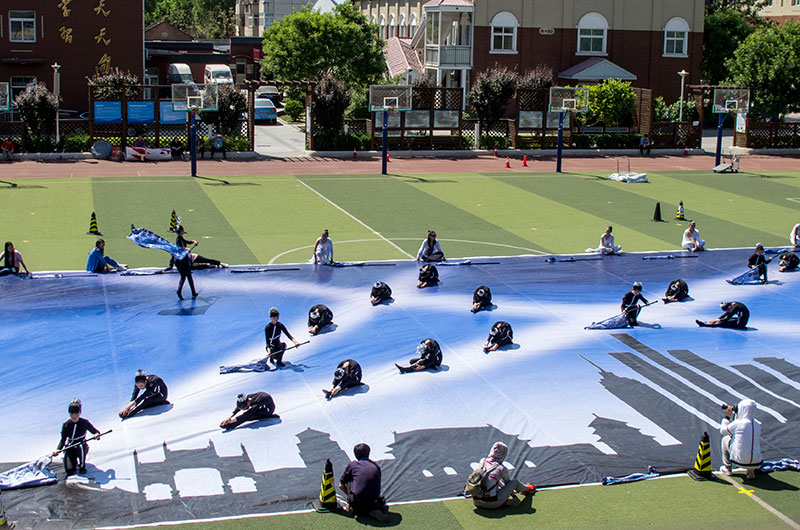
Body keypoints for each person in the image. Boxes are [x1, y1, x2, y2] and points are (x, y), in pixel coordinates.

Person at [470, 442, 536, 509]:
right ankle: (528, 489)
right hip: (492, 504)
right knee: (514, 482)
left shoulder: (482, 462)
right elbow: (508, 483)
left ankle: (503, 501)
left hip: (476, 501)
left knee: (493, 484)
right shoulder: (501, 468)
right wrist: (513, 495)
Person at [339, 443, 389, 522]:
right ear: (368, 453)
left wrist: (349, 496)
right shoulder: (375, 466)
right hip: (373, 499)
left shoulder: (353, 465)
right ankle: (372, 510)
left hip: (357, 500)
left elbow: (341, 485)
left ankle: (354, 506)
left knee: (349, 480)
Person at [52, 399, 101, 476]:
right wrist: (58, 449)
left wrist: (96, 435)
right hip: (70, 448)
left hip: (81, 447)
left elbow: (95, 432)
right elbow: (63, 440)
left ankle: (82, 465)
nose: (74, 416)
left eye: (76, 413)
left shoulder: (84, 422)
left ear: (80, 412)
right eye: (72, 414)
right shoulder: (66, 425)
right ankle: (72, 461)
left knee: (80, 448)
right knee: (70, 471)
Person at [719, 399, 762, 479]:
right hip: (757, 462)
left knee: (725, 439)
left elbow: (723, 431)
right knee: (751, 443)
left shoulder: (738, 423)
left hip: (739, 461)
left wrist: (727, 417)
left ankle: (727, 468)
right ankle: (750, 471)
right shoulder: (757, 424)